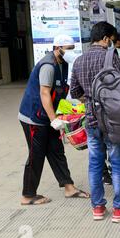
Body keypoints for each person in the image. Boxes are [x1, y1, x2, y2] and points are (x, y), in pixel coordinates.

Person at [70, 22, 120, 223]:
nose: (113, 44)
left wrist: (91, 100)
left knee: (95, 164)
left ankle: (98, 208)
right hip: (113, 120)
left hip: (91, 120)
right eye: (112, 40)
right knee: (117, 164)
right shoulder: (111, 57)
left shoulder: (79, 61)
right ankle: (119, 209)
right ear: (107, 38)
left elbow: (74, 92)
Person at [18, 34, 89, 205]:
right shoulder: (48, 65)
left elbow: (60, 91)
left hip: (49, 116)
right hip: (34, 118)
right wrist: (53, 119)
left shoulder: (62, 64)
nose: (71, 52)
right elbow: (44, 93)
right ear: (58, 48)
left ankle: (69, 187)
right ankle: (28, 195)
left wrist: (77, 104)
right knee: (37, 155)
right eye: (68, 49)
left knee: (56, 150)